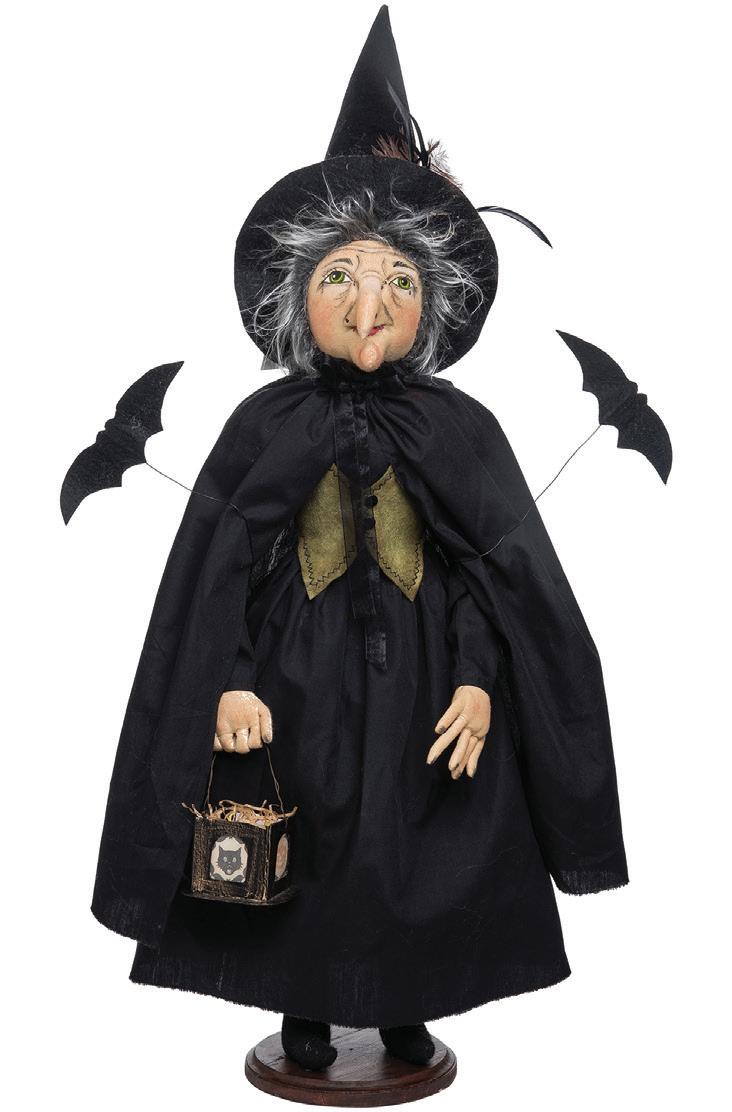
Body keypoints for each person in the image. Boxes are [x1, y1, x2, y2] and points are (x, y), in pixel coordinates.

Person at [92, 7, 628, 1073]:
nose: (370, 303)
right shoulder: (265, 426)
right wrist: (230, 679)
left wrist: (478, 677)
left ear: (431, 304)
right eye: (341, 275)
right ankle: (302, 1004)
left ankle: (403, 1006)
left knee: (421, 834)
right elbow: (220, 576)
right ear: (300, 294)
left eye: (397, 280)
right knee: (307, 830)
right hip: (293, 686)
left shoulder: (462, 429)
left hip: (427, 687)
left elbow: (490, 575)